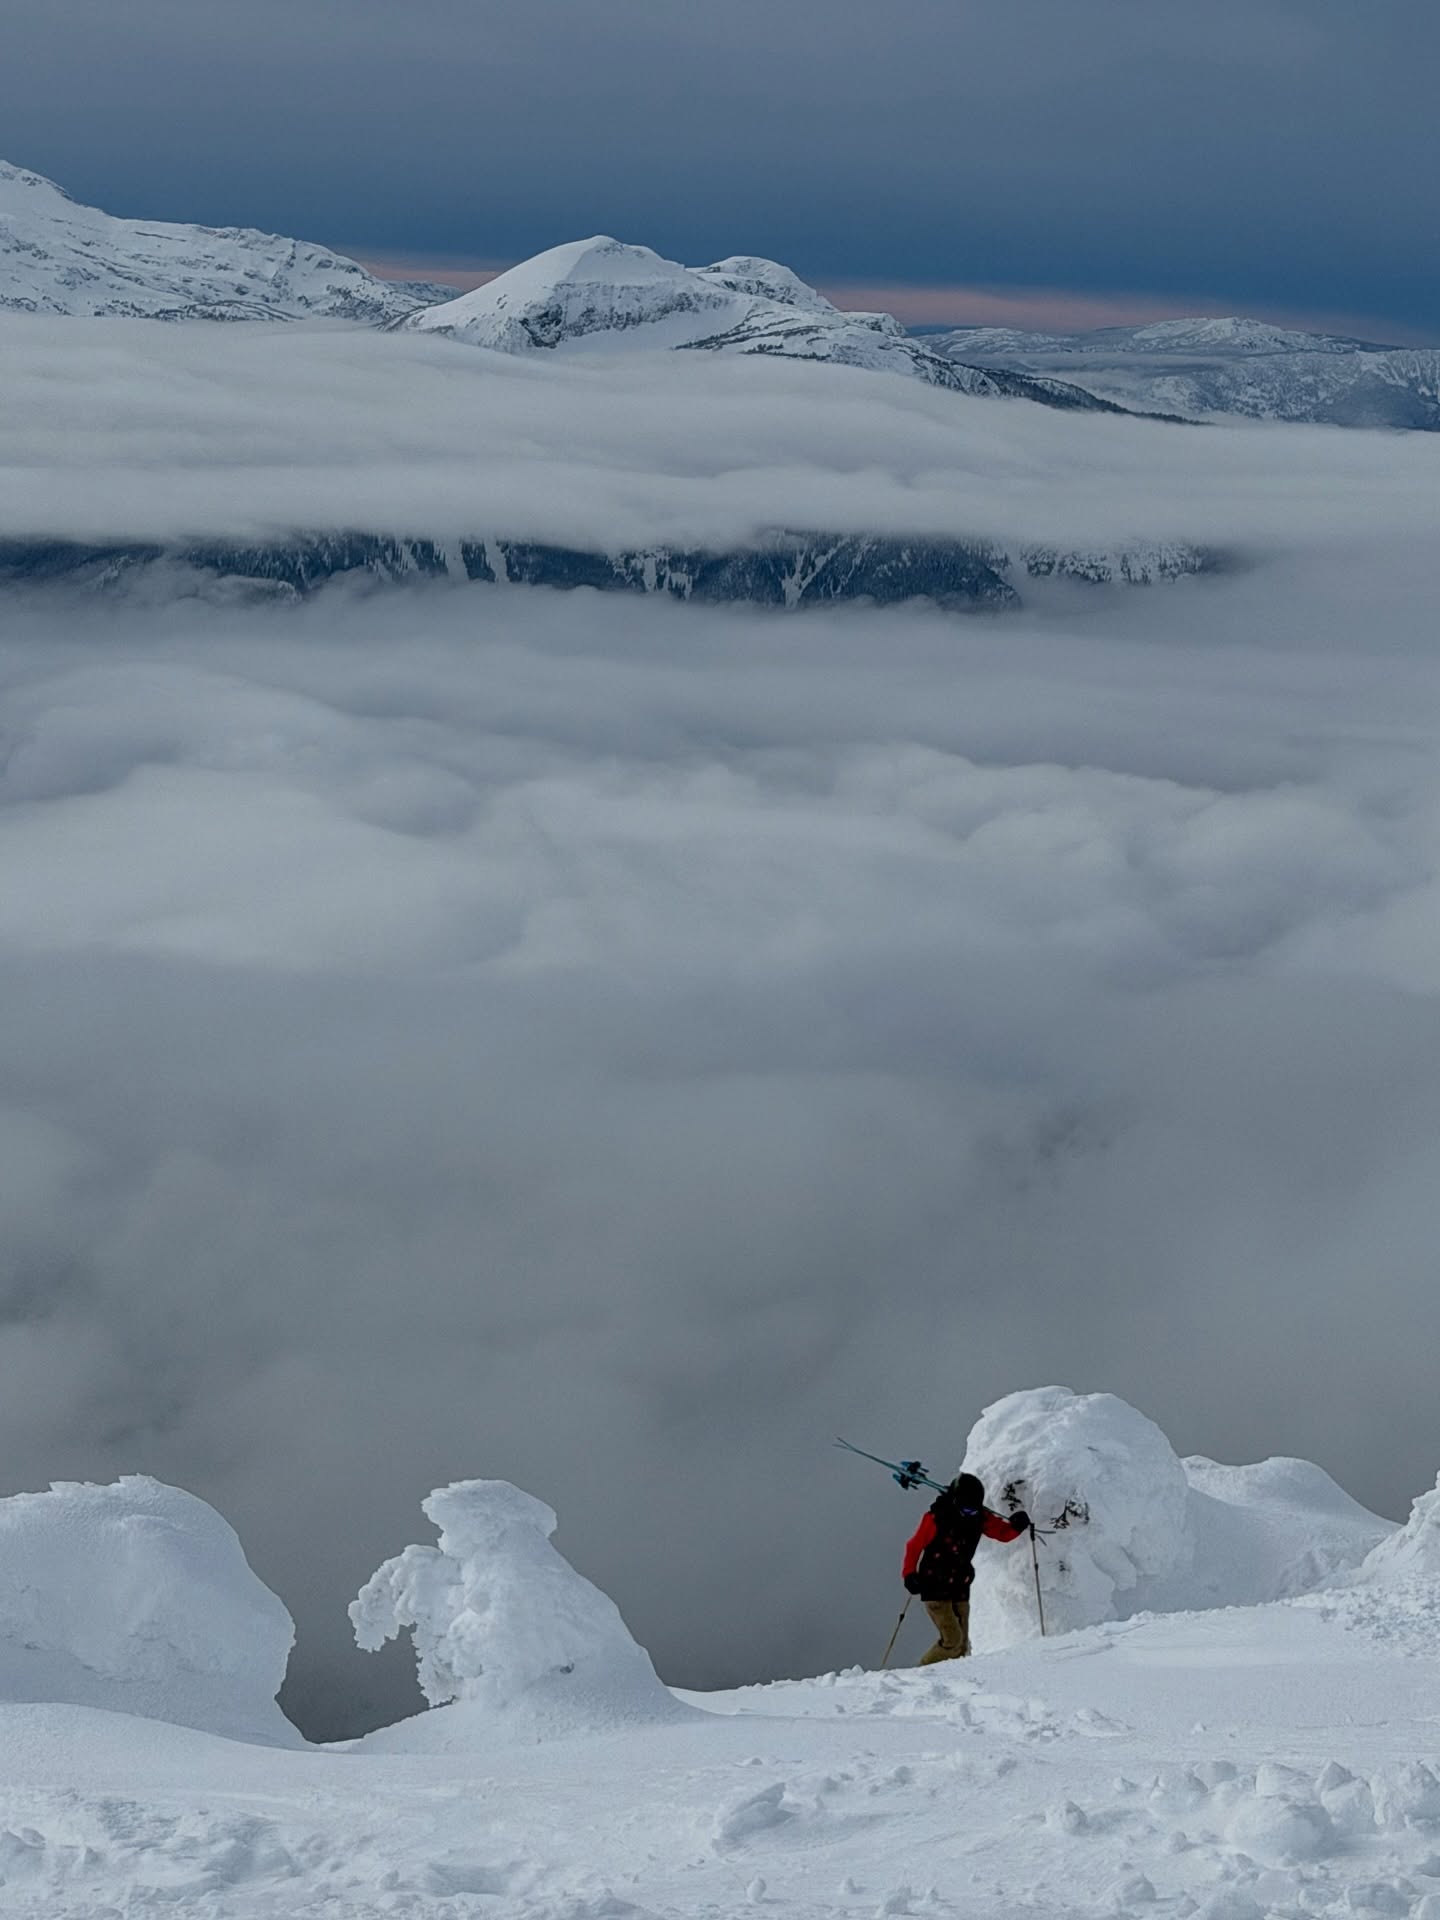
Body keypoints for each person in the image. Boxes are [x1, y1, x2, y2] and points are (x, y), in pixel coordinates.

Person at [901, 1472, 1029, 1664]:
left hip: (960, 1586)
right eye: (967, 1510)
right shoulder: (936, 1518)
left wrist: (1017, 1526)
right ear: (955, 1501)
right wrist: (909, 1574)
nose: (971, 1513)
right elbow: (914, 1545)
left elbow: (1002, 1533)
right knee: (952, 1641)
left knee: (961, 1647)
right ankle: (920, 1676)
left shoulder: (979, 1517)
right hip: (934, 1586)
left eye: (974, 1510)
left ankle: (950, 1685)